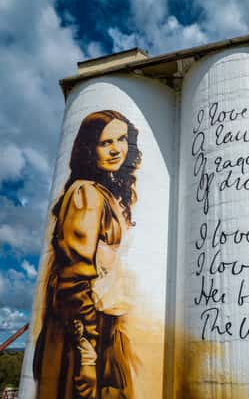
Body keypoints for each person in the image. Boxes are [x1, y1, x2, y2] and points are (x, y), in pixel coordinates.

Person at [33, 110, 142, 399]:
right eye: (106, 142)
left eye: (121, 139)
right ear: (88, 148)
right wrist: (88, 356)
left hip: (98, 328)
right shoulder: (86, 195)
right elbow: (74, 278)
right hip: (83, 334)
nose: (117, 149)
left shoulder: (101, 192)